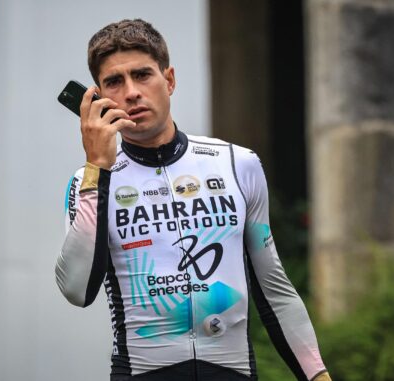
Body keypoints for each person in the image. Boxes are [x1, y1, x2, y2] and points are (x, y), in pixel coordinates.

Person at [56, 19, 331, 381]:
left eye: (142, 75)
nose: (132, 92)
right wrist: (98, 168)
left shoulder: (238, 164)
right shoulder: (87, 182)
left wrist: (317, 375)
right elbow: (77, 289)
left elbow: (275, 290)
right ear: (99, 97)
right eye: (114, 82)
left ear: (169, 80)